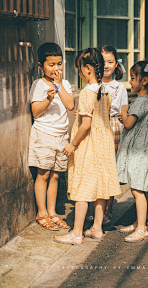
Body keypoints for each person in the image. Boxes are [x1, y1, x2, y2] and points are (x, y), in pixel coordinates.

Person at [54, 48, 121, 245]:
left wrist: (72, 144)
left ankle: (76, 233)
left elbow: (86, 124)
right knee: (100, 187)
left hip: (88, 145)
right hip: (104, 144)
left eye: (80, 69)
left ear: (88, 68)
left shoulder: (85, 93)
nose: (79, 73)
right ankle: (97, 228)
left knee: (83, 188)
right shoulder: (105, 90)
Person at [29, 42, 75, 231]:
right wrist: (48, 98)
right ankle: (42, 213)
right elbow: (35, 113)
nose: (56, 68)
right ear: (41, 66)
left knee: (56, 175)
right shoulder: (38, 85)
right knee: (44, 173)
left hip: (61, 136)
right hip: (44, 134)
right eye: (51, 65)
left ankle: (52, 212)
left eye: (59, 64)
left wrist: (59, 86)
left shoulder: (64, 84)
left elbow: (70, 105)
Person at [116, 60, 148, 242]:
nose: (130, 82)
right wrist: (125, 116)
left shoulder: (141, 102)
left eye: (133, 78)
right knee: (136, 188)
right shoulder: (144, 101)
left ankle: (141, 229)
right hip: (139, 149)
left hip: (139, 151)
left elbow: (128, 124)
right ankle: (138, 222)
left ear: (144, 81)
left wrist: (124, 112)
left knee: (137, 190)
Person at [86, 45, 128, 226]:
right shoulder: (93, 85)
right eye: (102, 62)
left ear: (116, 64)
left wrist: (122, 116)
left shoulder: (120, 87)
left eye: (110, 62)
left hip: (114, 129)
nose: (106, 65)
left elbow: (125, 111)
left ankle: (107, 210)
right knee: (94, 169)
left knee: (109, 171)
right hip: (95, 128)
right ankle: (92, 210)